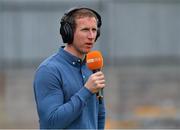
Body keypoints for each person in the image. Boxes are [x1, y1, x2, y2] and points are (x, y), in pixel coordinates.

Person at [33, 7, 106, 129]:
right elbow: (51, 123)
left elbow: (100, 114)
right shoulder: (48, 70)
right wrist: (86, 91)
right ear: (68, 33)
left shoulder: (93, 67)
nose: (91, 36)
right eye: (85, 30)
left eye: (94, 30)